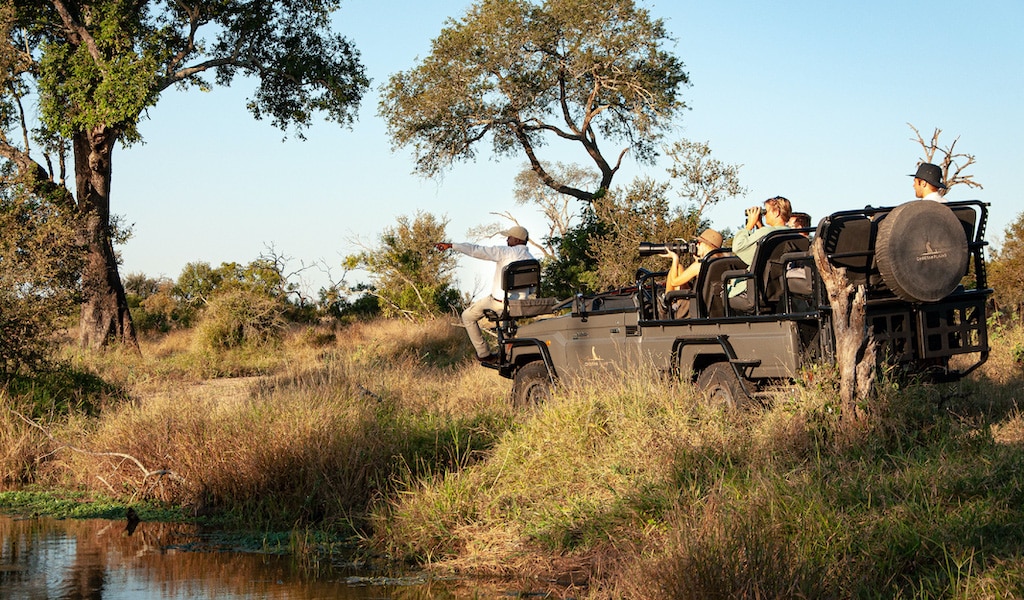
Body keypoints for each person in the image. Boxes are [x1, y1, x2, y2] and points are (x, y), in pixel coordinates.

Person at [435, 225, 534, 364]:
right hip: (519, 306)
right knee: (508, 321)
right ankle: (508, 354)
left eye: (509, 237)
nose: (507, 240)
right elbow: (532, 289)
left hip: (499, 303)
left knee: (467, 316)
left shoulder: (505, 252)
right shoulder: (532, 260)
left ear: (517, 240)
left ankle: (484, 353)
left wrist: (452, 245)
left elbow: (476, 250)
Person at [727, 196, 792, 304]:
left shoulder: (767, 233)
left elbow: (738, 247)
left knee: (726, 289)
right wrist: (760, 225)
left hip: (757, 287)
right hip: (777, 286)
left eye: (766, 211)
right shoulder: (792, 234)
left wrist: (749, 225)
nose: (764, 214)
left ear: (776, 212)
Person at [660, 228, 724, 318]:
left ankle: (667, 304)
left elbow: (674, 282)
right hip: (713, 305)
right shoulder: (720, 263)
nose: (697, 245)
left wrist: (675, 259)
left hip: (695, 305)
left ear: (706, 245)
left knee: (678, 267)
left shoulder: (699, 265)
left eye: (699, 243)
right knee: (679, 269)